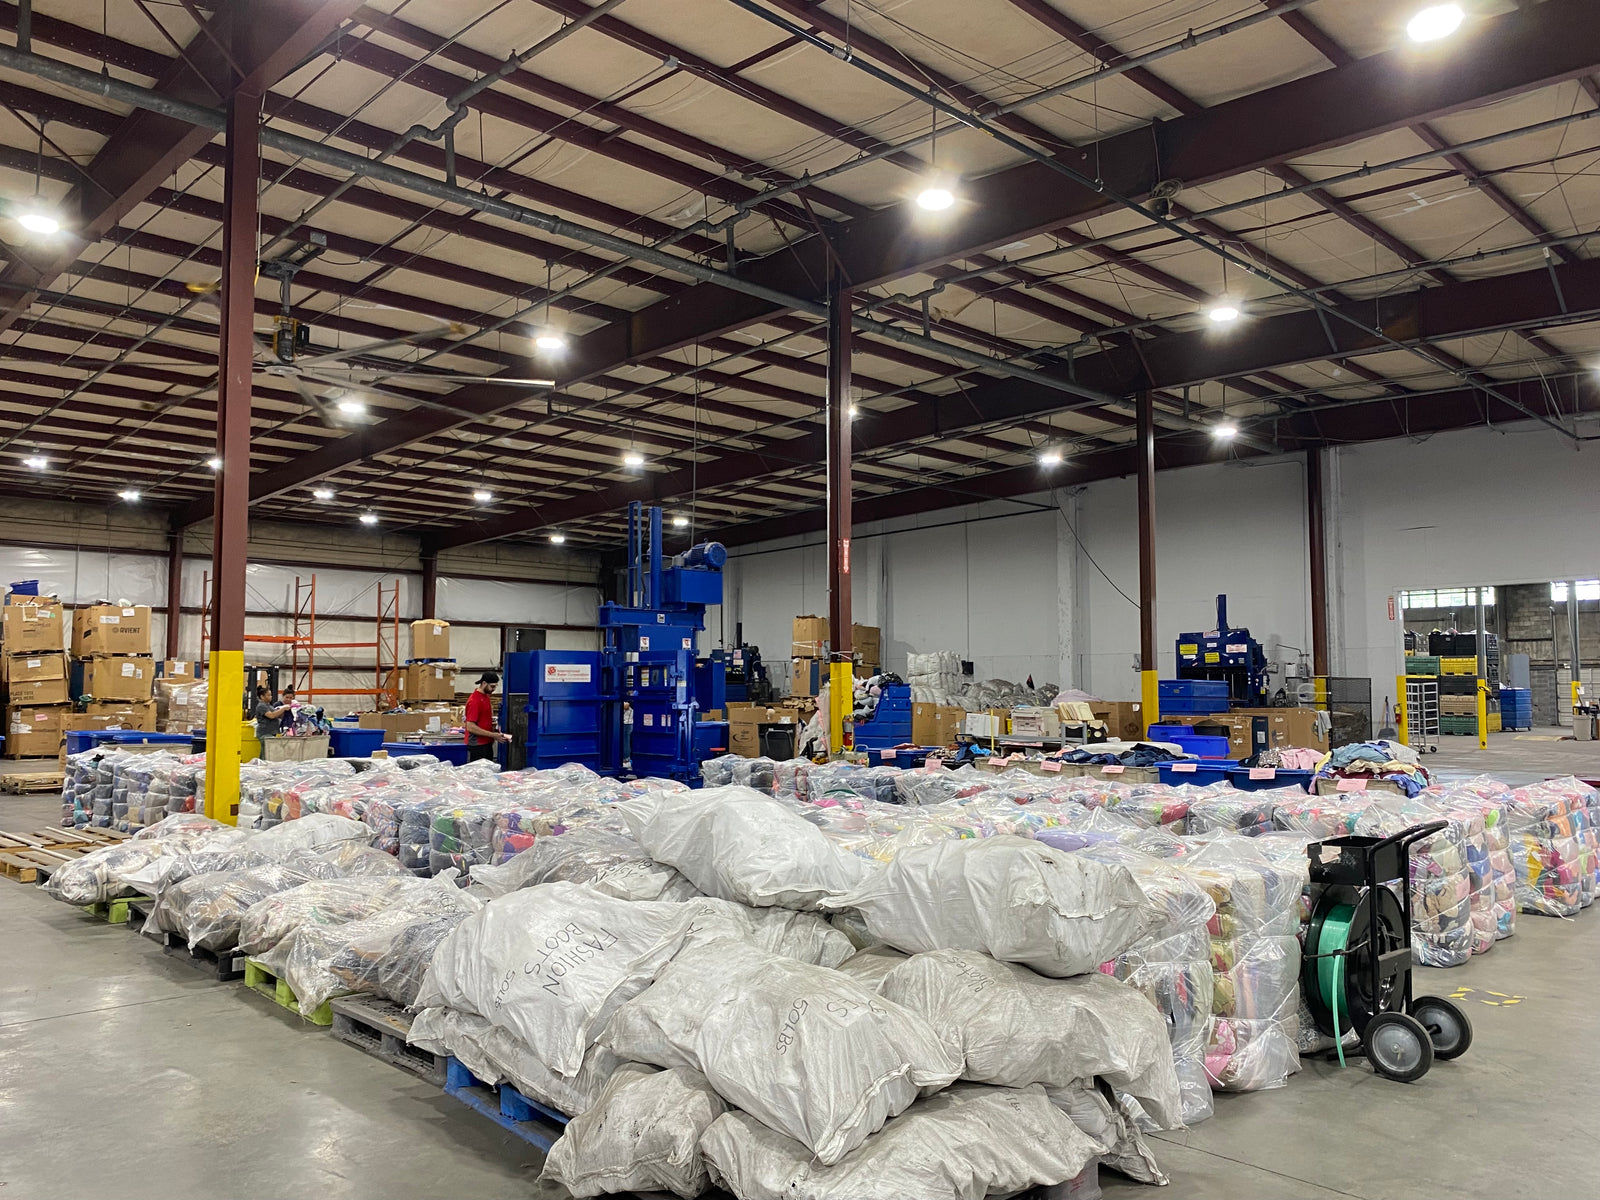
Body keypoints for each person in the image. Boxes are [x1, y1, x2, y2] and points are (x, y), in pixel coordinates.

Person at [464, 672, 511, 763]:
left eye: (495, 686)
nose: (494, 689)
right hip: (477, 745)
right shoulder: (475, 701)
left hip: (486, 743)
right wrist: (493, 735)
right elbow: (470, 726)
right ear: (484, 683)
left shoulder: (485, 697)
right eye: (492, 686)